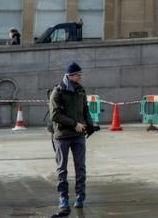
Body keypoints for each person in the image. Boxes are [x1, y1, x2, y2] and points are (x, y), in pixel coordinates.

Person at [48, 61, 92, 215]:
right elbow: (55, 115)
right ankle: (63, 198)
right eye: (78, 74)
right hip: (62, 136)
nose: (80, 77)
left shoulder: (80, 90)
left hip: (79, 135)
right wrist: (74, 124)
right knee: (62, 169)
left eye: (80, 74)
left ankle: (80, 196)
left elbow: (85, 110)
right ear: (70, 75)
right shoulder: (57, 92)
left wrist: (90, 125)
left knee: (80, 167)